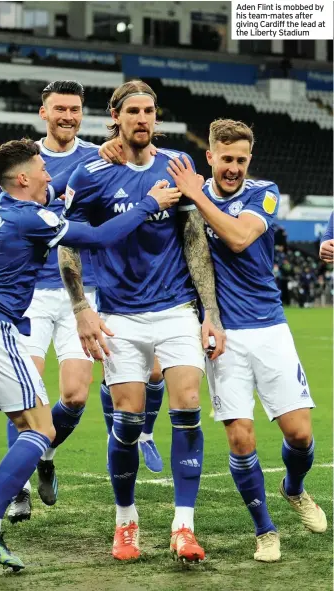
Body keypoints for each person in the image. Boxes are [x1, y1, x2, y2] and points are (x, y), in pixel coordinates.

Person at [0, 138, 181, 577]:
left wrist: (92, 163)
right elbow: (100, 236)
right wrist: (149, 202)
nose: (49, 175)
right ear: (23, 178)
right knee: (40, 428)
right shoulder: (31, 219)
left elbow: (57, 192)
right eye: (42, 169)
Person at [0, 81, 166, 524]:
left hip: (82, 290)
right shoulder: (23, 161)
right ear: (44, 112)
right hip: (28, 295)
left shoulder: (100, 157)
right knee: (25, 389)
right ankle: (19, 486)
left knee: (75, 397)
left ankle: (42, 452)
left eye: (75, 109)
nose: (68, 116)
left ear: (84, 114)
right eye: (60, 108)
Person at [60, 80, 225, 563]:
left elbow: (195, 240)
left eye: (149, 111)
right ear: (115, 116)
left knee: (189, 408)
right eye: (132, 111)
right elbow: (68, 242)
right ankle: (126, 522)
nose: (142, 119)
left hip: (175, 310)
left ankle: (183, 527)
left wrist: (209, 311)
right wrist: (80, 308)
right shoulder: (92, 172)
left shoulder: (179, 166)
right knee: (128, 423)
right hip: (119, 315)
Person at [167, 118, 327, 563]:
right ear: (211, 156)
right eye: (226, 158)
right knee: (241, 440)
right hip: (221, 334)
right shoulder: (190, 201)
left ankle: (293, 488)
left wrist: (197, 194)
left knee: (299, 434)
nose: (234, 167)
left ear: (249, 160)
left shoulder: (264, 192)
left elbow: (239, 238)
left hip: (270, 327)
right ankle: (265, 531)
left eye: (241, 159)